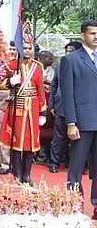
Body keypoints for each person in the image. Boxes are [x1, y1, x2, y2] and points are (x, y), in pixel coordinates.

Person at [0, 26, 46, 186]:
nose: (26, 51)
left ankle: (27, 175)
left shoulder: (38, 66)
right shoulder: (12, 65)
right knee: (16, 142)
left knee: (30, 143)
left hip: (32, 109)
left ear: (33, 49)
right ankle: (17, 174)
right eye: (24, 48)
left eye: (29, 48)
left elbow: (40, 90)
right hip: (17, 108)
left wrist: (43, 113)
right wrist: (10, 83)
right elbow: (0, 84)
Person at [60, 20, 97, 219]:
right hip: (81, 122)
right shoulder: (71, 60)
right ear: (83, 36)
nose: (96, 37)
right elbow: (67, 94)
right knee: (76, 166)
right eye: (92, 33)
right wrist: (71, 122)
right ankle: (74, 202)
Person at [48, 41, 82, 173]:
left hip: (79, 107)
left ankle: (74, 163)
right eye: (67, 51)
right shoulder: (61, 64)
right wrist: (51, 104)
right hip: (61, 106)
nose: (68, 53)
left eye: (71, 51)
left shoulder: (84, 64)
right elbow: (54, 85)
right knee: (59, 136)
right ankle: (54, 162)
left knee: (77, 137)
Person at [0, 41, 17, 175]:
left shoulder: (22, 65)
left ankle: (17, 163)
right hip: (2, 102)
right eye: (10, 49)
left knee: (17, 134)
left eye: (15, 49)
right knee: (2, 133)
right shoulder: (0, 64)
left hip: (18, 103)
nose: (12, 52)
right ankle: (5, 163)